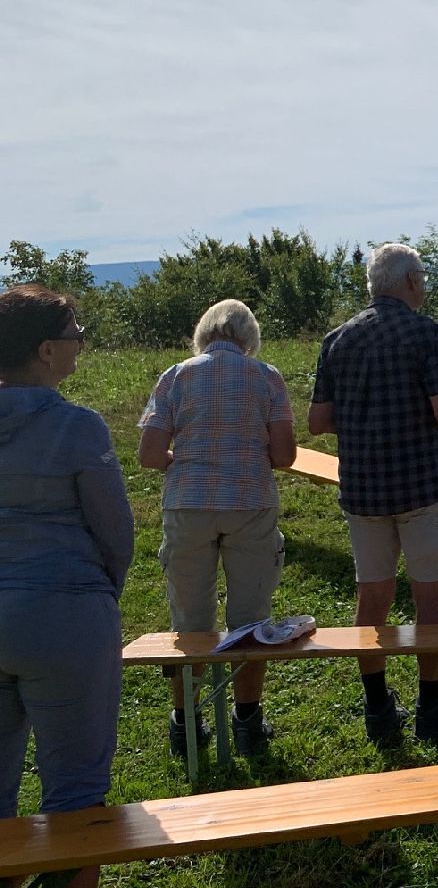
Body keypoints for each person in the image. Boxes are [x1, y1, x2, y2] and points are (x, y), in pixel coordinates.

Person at [0, 286, 141, 888]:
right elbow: (115, 532)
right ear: (46, 350)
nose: (82, 341)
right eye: (74, 332)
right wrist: (97, 595)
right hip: (64, 612)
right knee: (78, 784)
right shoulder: (77, 426)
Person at [308, 243, 438, 746]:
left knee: (372, 598)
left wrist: (363, 419)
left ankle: (378, 709)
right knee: (433, 599)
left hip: (363, 491)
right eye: (421, 277)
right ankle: (431, 707)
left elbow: (317, 421)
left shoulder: (337, 339)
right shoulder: (425, 333)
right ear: (409, 281)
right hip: (422, 486)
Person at [137, 299, 296, 757]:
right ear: (250, 337)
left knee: (189, 622)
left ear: (203, 333)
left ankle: (186, 724)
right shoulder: (267, 377)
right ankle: (247, 721)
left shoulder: (176, 376)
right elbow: (284, 456)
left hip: (187, 505)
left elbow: (149, 454)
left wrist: (183, 460)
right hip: (250, 504)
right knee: (251, 620)